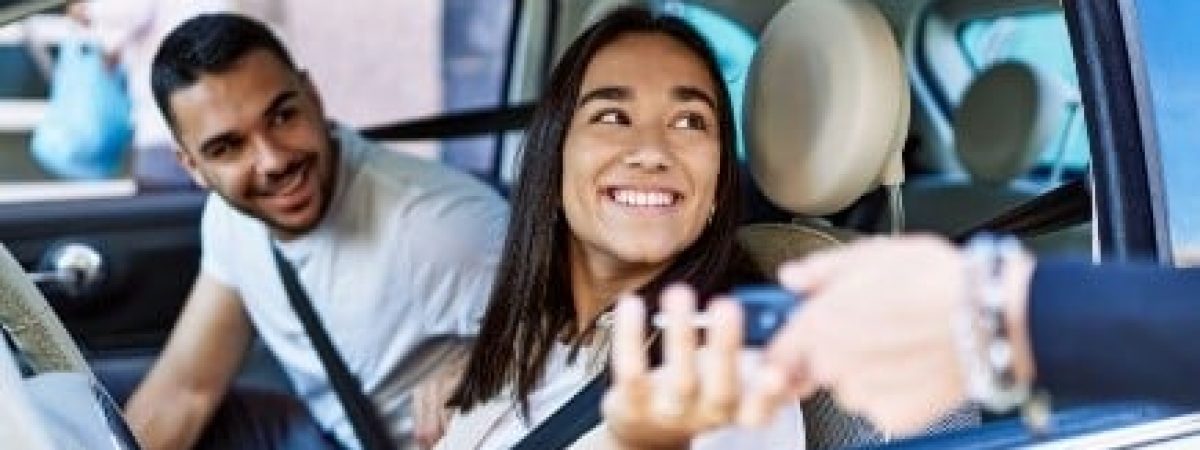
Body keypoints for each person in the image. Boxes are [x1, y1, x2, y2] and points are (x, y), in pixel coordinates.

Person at [123, 13, 507, 450]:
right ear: (193, 165)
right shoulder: (231, 218)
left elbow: (585, 337)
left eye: (283, 116)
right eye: (227, 147)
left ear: (314, 96)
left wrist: (490, 365)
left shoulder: (441, 225)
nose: (272, 161)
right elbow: (187, 390)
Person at [436, 7, 804, 449]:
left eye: (689, 121)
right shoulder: (523, 343)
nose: (651, 152)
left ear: (716, 190)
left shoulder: (732, 372)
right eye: (613, 117)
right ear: (552, 166)